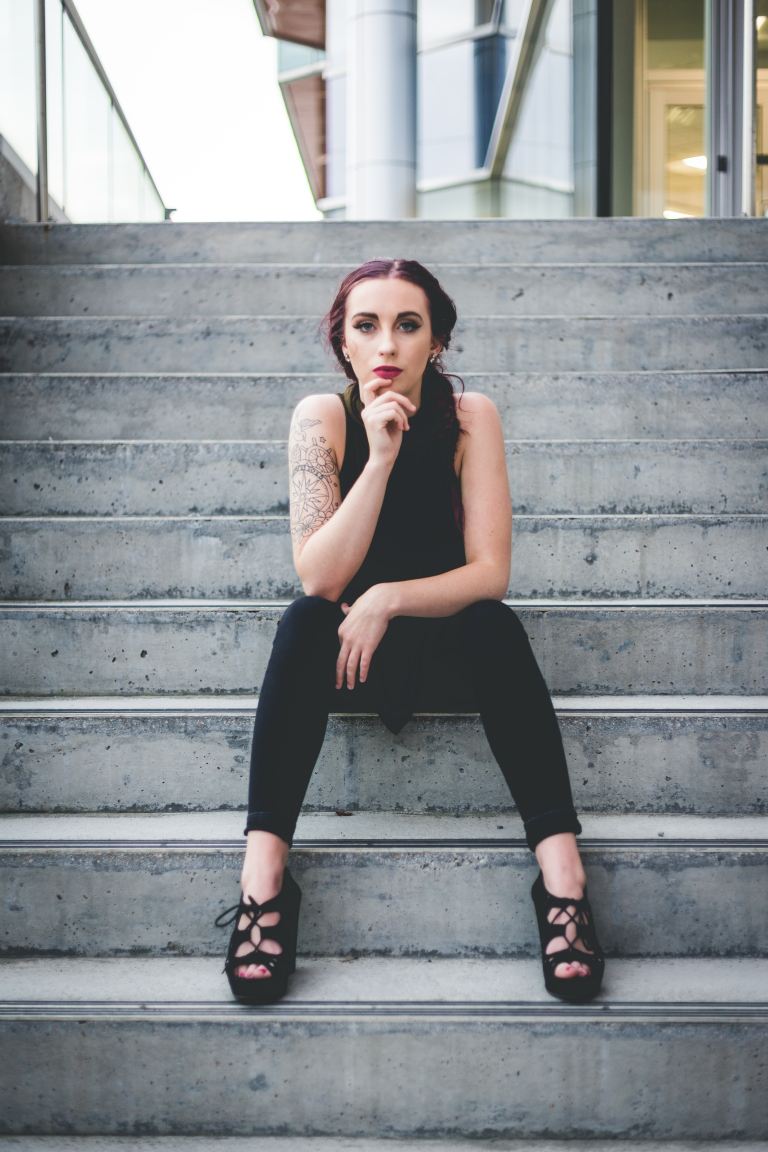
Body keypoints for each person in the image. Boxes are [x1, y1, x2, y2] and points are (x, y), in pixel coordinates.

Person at [215, 259, 605, 1005]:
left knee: (495, 624)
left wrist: (389, 597)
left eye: (408, 323)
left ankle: (564, 881)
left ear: (438, 341)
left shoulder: (470, 418)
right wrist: (381, 456)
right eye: (367, 325)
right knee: (302, 622)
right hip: (343, 657)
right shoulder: (320, 419)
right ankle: (262, 885)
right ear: (344, 344)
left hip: (446, 640)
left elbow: (489, 573)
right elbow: (321, 580)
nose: (387, 341)